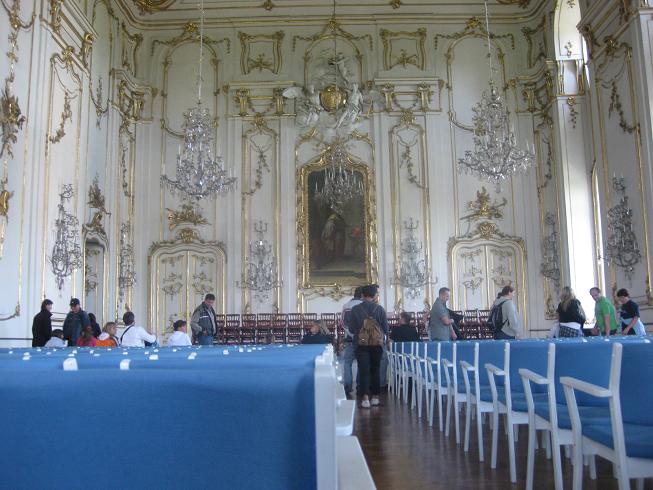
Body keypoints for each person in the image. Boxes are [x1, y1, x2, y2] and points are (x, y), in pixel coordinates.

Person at [349, 284, 389, 409]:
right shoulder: (380, 309)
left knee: (363, 370)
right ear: (375, 295)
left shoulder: (355, 309)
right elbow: (386, 329)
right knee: (375, 370)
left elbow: (351, 328)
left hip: (361, 344)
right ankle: (375, 398)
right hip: (377, 344)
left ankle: (365, 399)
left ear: (362, 295)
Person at [341, 286, 363, 397]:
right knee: (361, 363)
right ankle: (359, 386)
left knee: (347, 362)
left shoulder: (346, 306)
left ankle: (348, 386)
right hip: (361, 339)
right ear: (362, 295)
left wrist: (351, 333)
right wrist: (358, 334)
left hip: (349, 339)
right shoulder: (364, 306)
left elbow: (343, 323)